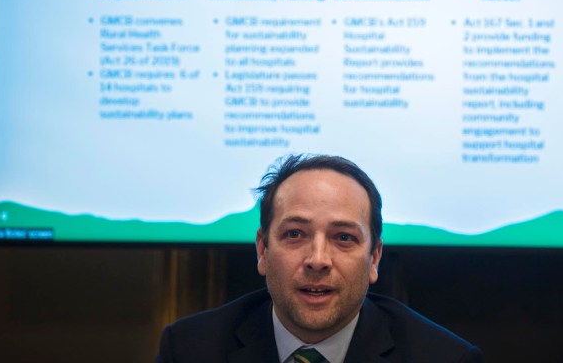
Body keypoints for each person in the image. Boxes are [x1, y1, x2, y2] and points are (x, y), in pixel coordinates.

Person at [155, 154, 483, 362]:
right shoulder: (189, 349)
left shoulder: (445, 358)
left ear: (374, 258)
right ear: (263, 250)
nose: (318, 259)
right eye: (295, 234)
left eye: (344, 238)